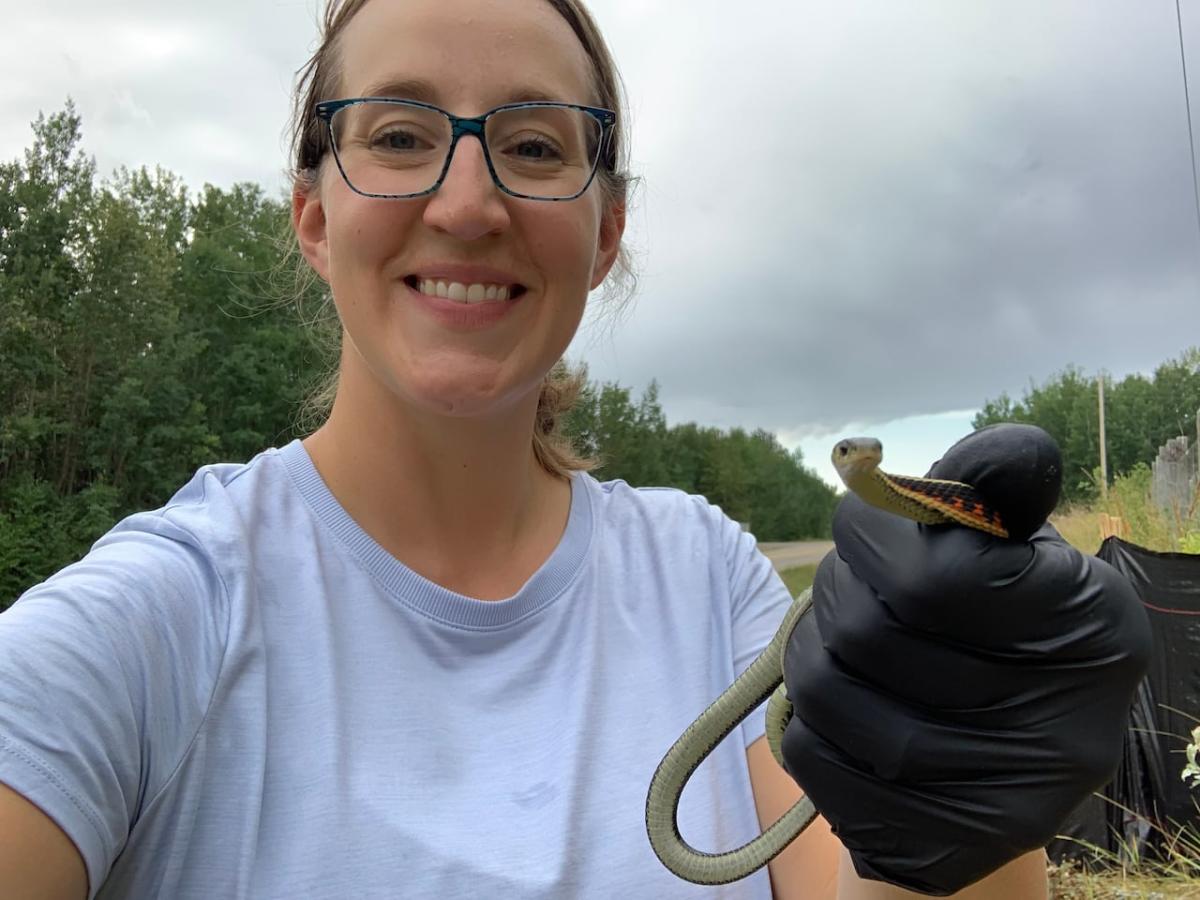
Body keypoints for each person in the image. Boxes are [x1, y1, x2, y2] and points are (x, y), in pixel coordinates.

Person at [0, 1, 1149, 898]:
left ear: (605, 233)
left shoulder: (714, 582)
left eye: (536, 146)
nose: (466, 202)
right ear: (313, 214)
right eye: (400, 136)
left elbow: (874, 873)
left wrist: (963, 805)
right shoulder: (143, 626)